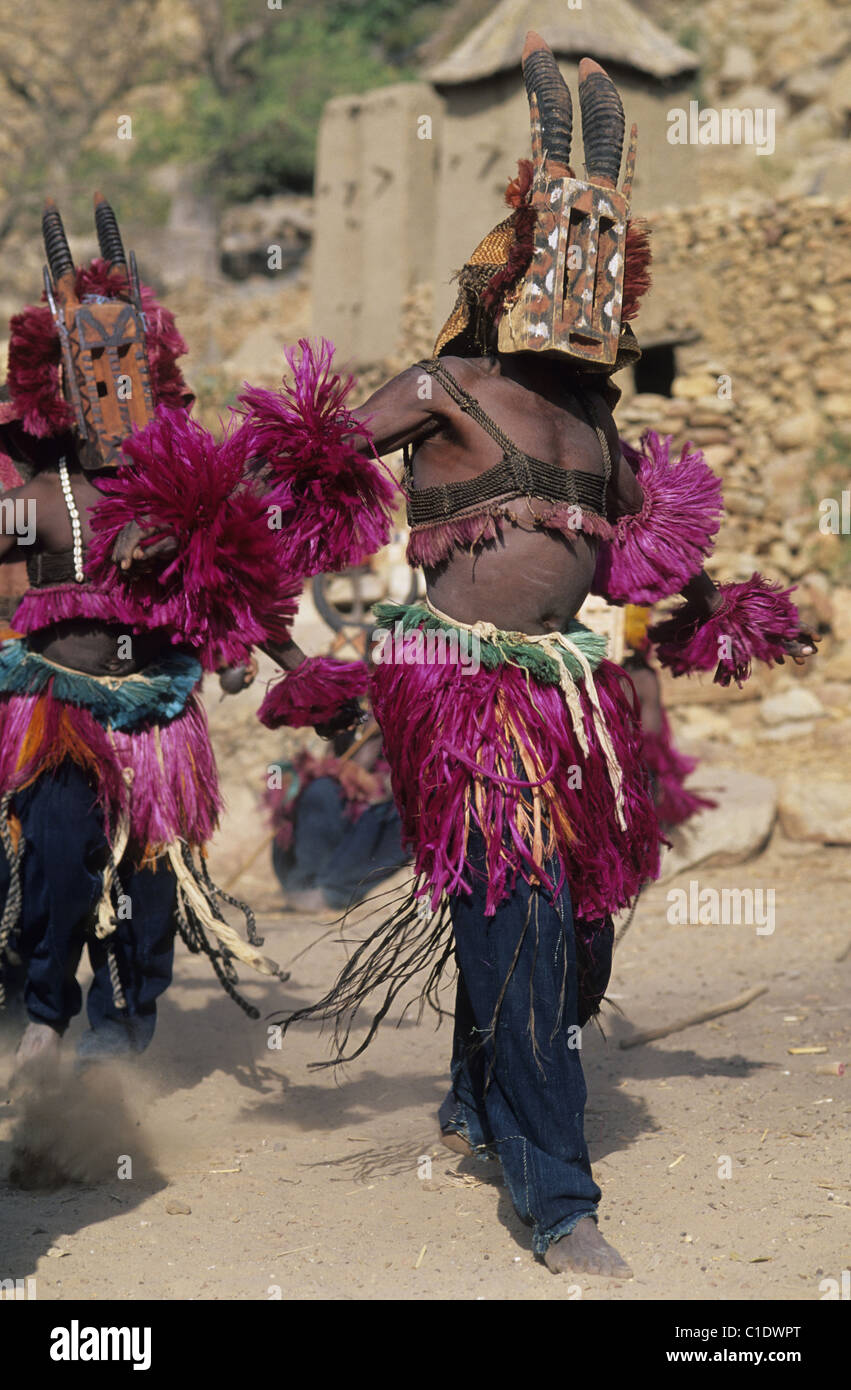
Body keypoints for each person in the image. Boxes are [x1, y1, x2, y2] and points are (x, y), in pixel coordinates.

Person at [239, 36, 818, 1277]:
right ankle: (557, 1198)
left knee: (573, 937)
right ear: (513, 270)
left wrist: (735, 615)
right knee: (523, 921)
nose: (591, 282)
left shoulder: (600, 425)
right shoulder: (445, 385)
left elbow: (666, 567)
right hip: (459, 698)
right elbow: (301, 455)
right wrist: (207, 540)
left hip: (570, 708)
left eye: (607, 259)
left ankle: (474, 1091)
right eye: (570, 252)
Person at [0, 196, 302, 1069]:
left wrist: (294, 666)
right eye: (87, 366)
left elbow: (244, 577)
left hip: (161, 725)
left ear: (154, 370)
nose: (107, 383)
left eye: (124, 363)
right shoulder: (33, 501)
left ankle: (115, 1050)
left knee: (147, 889)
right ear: (53, 381)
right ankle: (47, 1011)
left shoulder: (192, 485)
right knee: (56, 850)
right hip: (59, 713)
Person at [267, 720, 408, 914]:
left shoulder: (414, 713)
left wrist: (379, 784)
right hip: (343, 802)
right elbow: (337, 760)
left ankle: (331, 893)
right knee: (319, 790)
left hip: (386, 809)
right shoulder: (353, 713)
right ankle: (303, 884)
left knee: (412, 818)